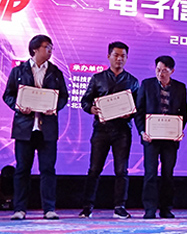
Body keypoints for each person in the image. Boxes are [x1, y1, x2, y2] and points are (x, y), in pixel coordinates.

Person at [3, 34, 68, 221]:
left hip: (47, 129)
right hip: (25, 128)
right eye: (47, 47)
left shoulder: (56, 72)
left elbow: (63, 96)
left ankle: (49, 209)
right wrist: (18, 106)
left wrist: (54, 107)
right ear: (35, 49)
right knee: (22, 169)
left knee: (48, 169)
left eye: (51, 48)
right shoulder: (19, 71)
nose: (50, 51)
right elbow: (8, 95)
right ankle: (19, 209)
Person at [79, 41, 139, 219]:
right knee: (94, 169)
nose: (119, 59)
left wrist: (130, 113)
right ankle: (87, 207)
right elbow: (85, 101)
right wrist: (91, 109)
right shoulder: (97, 78)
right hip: (101, 130)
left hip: (122, 131)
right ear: (108, 56)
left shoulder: (133, 81)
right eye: (116, 55)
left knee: (122, 170)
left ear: (127, 58)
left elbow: (138, 107)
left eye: (123, 56)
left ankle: (120, 207)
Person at [135, 55, 187, 219]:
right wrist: (142, 132)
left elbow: (184, 113)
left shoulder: (180, 87)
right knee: (150, 173)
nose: (160, 74)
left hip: (170, 139)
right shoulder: (147, 84)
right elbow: (139, 111)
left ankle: (166, 208)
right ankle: (149, 209)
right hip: (151, 138)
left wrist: (178, 130)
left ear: (172, 71)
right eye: (158, 70)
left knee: (168, 174)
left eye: (164, 71)